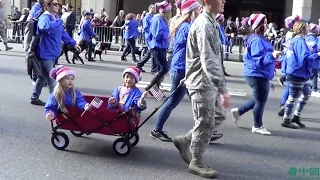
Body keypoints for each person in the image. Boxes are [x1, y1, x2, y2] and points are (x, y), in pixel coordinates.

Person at [172, 0, 230, 178]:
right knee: (205, 122)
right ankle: (196, 161)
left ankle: (187, 140)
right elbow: (208, 59)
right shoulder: (204, 24)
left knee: (217, 116)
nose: (224, 1)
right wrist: (223, 89)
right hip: (202, 83)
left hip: (206, 81)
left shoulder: (211, 22)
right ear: (206, 1)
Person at [150, 0, 201, 142]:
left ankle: (206, 128)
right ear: (191, 11)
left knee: (197, 100)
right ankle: (156, 130)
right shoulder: (186, 27)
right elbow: (191, 50)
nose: (199, 11)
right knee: (172, 101)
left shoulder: (187, 25)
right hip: (181, 69)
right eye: (197, 9)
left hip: (184, 68)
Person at [230, 14, 281, 136]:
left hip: (258, 73)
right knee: (260, 101)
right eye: (265, 22)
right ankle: (257, 125)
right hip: (256, 74)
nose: (267, 25)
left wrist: (275, 58)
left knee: (259, 99)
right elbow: (259, 59)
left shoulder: (257, 38)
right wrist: (272, 55)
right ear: (258, 25)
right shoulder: (257, 40)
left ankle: (239, 111)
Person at [30, 0, 81, 106]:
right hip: (45, 53)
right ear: (47, 6)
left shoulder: (57, 18)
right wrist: (58, 22)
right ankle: (57, 102)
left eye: (58, 4)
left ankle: (34, 97)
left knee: (42, 77)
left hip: (53, 53)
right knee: (52, 78)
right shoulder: (44, 17)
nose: (57, 6)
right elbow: (43, 28)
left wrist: (73, 43)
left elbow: (63, 33)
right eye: (54, 4)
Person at [281, 20, 320, 129]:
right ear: (302, 29)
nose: (309, 28)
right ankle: (286, 119)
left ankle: (296, 116)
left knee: (306, 94)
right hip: (297, 72)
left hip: (297, 72)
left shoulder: (294, 40)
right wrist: (317, 55)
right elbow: (304, 58)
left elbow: (285, 53)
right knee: (293, 97)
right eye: (307, 27)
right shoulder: (300, 41)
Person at [144, 0, 172, 91]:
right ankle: (150, 86)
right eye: (170, 11)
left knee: (162, 68)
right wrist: (167, 35)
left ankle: (155, 89)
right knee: (164, 68)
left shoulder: (162, 20)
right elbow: (156, 34)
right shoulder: (157, 19)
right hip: (157, 47)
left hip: (161, 47)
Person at [277, 15, 300, 116]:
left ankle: (284, 105)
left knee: (289, 85)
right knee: (290, 86)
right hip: (291, 61)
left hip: (288, 60)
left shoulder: (289, 34)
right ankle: (284, 106)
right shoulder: (293, 35)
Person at [136, 4, 158, 74]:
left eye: (155, 8)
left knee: (149, 53)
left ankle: (139, 64)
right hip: (149, 37)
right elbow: (146, 28)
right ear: (149, 9)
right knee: (152, 52)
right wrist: (150, 35)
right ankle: (153, 69)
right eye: (153, 8)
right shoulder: (147, 17)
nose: (154, 10)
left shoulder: (153, 17)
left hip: (152, 36)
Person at [305, 23, 320, 97]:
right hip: (314, 59)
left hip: (308, 59)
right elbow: (316, 49)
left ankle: (309, 86)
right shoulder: (314, 39)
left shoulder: (306, 38)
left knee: (310, 74)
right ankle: (314, 89)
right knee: (314, 75)